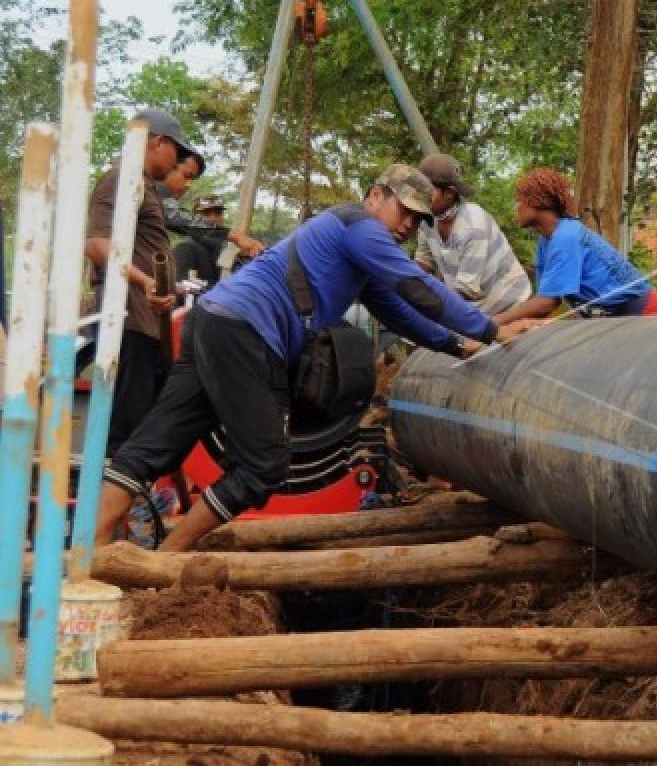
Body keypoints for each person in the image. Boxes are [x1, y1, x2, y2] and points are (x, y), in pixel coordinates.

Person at [94, 164, 535, 552]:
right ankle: (167, 560)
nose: (408, 228)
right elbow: (416, 288)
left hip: (212, 320)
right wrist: (492, 329)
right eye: (404, 212)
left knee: (158, 441)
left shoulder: (358, 249)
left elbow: (399, 312)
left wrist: (459, 345)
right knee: (263, 466)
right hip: (246, 330)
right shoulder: (357, 224)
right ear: (376, 196)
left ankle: (88, 559)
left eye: (419, 220)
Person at [84, 108, 201, 458]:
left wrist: (169, 286)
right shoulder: (121, 179)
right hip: (129, 318)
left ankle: (128, 501)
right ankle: (108, 507)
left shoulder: (145, 189)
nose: (177, 162)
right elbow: (96, 245)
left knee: (145, 422)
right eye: (177, 153)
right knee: (126, 425)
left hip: (147, 321)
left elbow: (142, 250)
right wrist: (146, 282)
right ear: (158, 142)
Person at [493, 168, 657, 325]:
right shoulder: (546, 241)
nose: (517, 208)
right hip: (608, 319)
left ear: (539, 202)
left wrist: (492, 324)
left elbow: (547, 303)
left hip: (642, 314)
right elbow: (543, 302)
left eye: (520, 202)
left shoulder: (566, 236)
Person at [413, 154, 531, 314]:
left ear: (449, 193)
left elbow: (464, 290)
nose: (422, 195)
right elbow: (423, 263)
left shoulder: (474, 224)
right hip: (474, 308)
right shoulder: (427, 220)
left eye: (428, 190)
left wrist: (425, 308)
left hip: (510, 307)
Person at [155, 155, 264, 284]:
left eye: (218, 213)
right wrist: (235, 236)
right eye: (206, 214)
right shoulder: (185, 250)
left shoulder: (228, 254)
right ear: (194, 217)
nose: (213, 219)